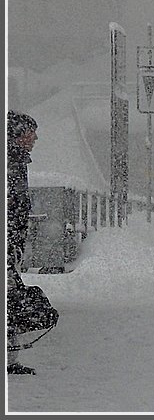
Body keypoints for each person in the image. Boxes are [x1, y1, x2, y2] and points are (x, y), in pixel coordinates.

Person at [7, 110, 38, 375]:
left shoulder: (16, 161)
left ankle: (10, 358)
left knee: (10, 300)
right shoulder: (10, 163)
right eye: (30, 132)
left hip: (10, 242)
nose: (35, 137)